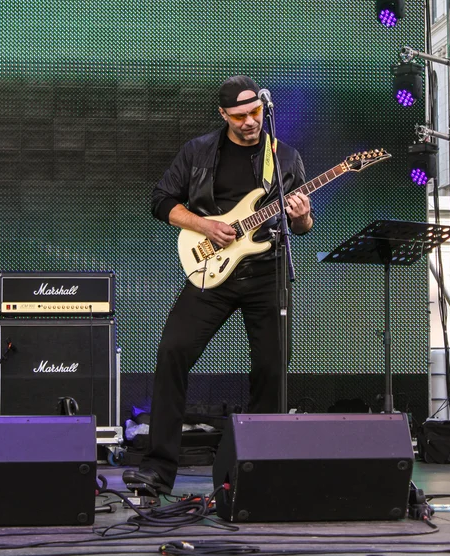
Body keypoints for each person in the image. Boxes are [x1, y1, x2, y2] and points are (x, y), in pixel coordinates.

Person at [126, 75, 313, 494]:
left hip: (267, 271)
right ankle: (157, 470)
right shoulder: (198, 151)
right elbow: (160, 200)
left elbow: (302, 226)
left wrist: (300, 215)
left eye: (256, 113)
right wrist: (203, 224)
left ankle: (256, 470)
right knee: (173, 351)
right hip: (210, 270)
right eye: (240, 116)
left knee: (270, 369)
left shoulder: (284, 156)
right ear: (223, 115)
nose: (250, 122)